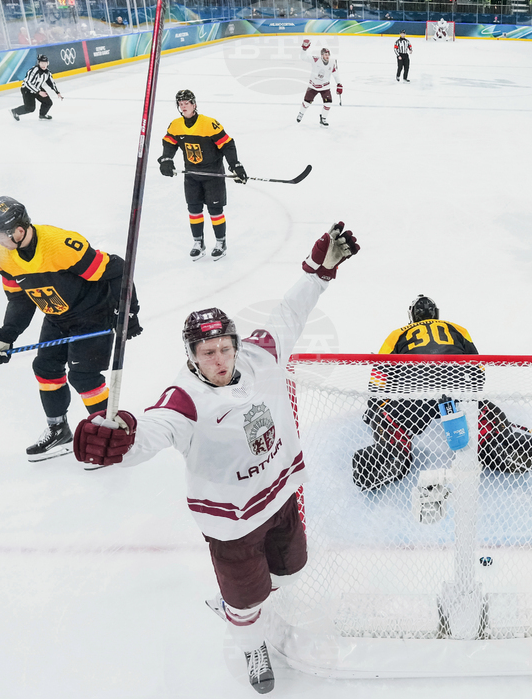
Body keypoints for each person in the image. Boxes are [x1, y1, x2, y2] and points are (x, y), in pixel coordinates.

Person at [72, 224, 361, 694]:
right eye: (208, 352)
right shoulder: (183, 399)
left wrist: (319, 271)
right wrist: (120, 438)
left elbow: (290, 311)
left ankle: (240, 605)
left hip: (282, 499)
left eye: (225, 347)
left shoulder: (260, 356)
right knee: (247, 606)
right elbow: (150, 432)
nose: (221, 359)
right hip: (233, 526)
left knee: (290, 574)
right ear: (192, 356)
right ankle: (251, 644)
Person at [0, 196, 142, 461]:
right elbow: (19, 299)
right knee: (45, 369)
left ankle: (109, 437)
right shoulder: (5, 256)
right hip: (57, 315)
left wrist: (128, 311)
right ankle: (59, 431)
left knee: (84, 377)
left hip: (93, 314)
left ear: (19, 231)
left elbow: (118, 269)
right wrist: (7, 334)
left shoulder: (60, 245)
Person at [354, 295, 532, 491]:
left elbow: (379, 375)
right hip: (457, 388)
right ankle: (498, 441)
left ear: (411, 316)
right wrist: (475, 399)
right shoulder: (456, 328)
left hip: (417, 394)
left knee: (387, 419)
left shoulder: (397, 334)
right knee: (488, 412)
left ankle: (392, 451)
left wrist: (378, 408)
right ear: (436, 314)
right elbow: (478, 367)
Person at [158, 89, 248, 261]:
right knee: (194, 209)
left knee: (215, 210)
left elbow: (227, 144)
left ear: (194, 104)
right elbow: (169, 142)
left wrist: (235, 165)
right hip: (191, 174)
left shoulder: (209, 123)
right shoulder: (176, 125)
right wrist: (166, 159)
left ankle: (221, 242)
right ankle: (198, 243)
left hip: (213, 174)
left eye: (186, 103)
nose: (183, 107)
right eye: (180, 104)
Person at [296, 39, 342, 127]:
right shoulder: (315, 59)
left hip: (325, 87)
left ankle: (323, 118)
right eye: (325, 54)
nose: (327, 56)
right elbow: (303, 57)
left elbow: (336, 75)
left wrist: (339, 84)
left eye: (328, 55)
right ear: (321, 55)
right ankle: (301, 113)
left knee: (328, 103)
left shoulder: (332, 64)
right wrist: (304, 49)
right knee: (306, 103)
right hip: (313, 86)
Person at [11, 54, 63, 121]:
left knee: (48, 102)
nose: (44, 65)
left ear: (48, 63)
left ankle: (42, 115)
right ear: (38, 63)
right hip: (27, 90)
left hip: (38, 88)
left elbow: (51, 83)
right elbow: (28, 83)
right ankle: (15, 111)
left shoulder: (47, 72)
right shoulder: (33, 71)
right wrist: (38, 92)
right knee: (30, 108)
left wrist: (57, 92)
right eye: (42, 63)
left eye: (45, 63)